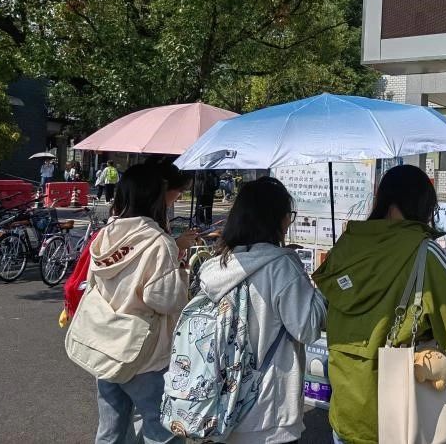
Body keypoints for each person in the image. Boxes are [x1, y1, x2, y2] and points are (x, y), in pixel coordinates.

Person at [312, 164, 446, 444]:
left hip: (347, 407)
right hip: (403, 412)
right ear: (423, 205)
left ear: (383, 199)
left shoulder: (346, 245)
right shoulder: (426, 253)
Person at [197, 177, 326, 443]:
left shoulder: (220, 263)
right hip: (269, 412)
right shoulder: (282, 267)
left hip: (222, 404)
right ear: (275, 218)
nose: (289, 222)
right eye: (288, 215)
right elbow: (308, 328)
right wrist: (322, 287)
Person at [88, 164, 194, 444]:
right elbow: (166, 300)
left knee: (111, 427)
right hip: (144, 353)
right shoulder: (158, 242)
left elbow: (93, 283)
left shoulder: (106, 234)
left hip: (106, 344)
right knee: (160, 428)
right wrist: (181, 270)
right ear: (156, 196)